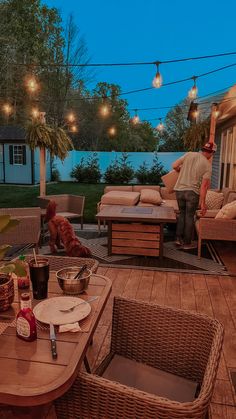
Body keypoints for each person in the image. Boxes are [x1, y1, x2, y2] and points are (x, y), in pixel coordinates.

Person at [172, 142, 216, 249]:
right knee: (189, 216)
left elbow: (174, 165)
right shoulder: (207, 166)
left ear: (203, 149)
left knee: (182, 214)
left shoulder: (189, 154)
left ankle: (178, 238)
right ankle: (187, 243)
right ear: (212, 152)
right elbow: (204, 186)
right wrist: (203, 203)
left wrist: (180, 169)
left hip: (179, 190)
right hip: (192, 193)